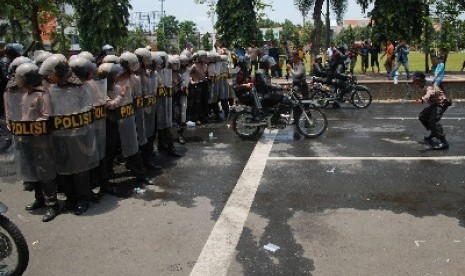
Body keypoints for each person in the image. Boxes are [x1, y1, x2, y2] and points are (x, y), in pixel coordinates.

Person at [39, 54, 99, 215]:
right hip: (60, 136)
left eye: (50, 73)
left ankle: (83, 199)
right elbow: (47, 113)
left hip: (78, 135)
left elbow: (88, 108)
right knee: (64, 170)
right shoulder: (51, 90)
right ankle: (71, 199)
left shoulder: (81, 87)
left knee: (80, 170)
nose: (48, 77)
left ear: (58, 72)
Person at [413, 72, 451, 150]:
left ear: (420, 80)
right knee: (422, 116)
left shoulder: (429, 86)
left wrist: (422, 100)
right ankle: (434, 132)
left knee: (433, 121)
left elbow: (429, 93)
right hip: (435, 104)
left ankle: (444, 142)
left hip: (441, 103)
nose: (414, 82)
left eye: (415, 81)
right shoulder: (422, 84)